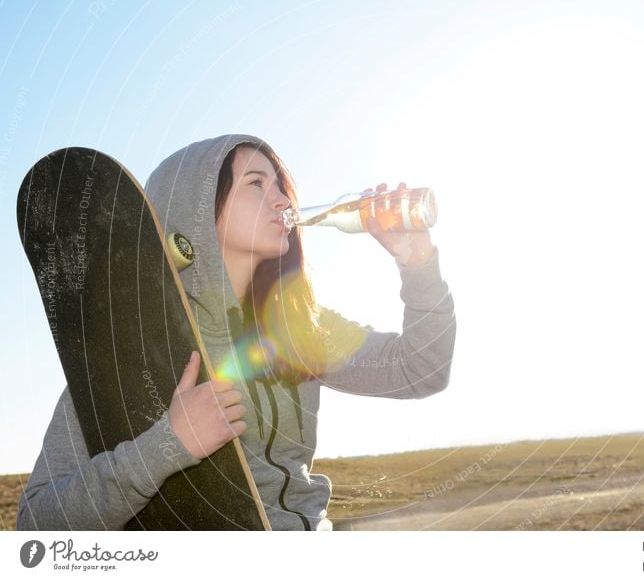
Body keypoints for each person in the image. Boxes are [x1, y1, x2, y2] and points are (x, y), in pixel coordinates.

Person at [16, 134, 457, 531]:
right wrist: (170, 445)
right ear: (195, 206)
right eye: (256, 184)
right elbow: (37, 524)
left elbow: (421, 371)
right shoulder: (131, 347)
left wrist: (417, 263)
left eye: (281, 186)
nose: (284, 200)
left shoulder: (301, 328)